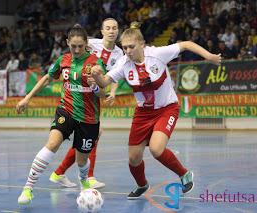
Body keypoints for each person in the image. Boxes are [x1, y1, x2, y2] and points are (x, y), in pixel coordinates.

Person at [91, 25, 221, 199]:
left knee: (156, 149)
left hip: (167, 109)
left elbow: (187, 44)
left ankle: (184, 174)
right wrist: (97, 75)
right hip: (143, 113)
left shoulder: (158, 54)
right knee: (134, 158)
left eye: (132, 46)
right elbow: (105, 82)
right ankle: (142, 185)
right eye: (125, 48)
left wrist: (209, 56)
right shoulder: (123, 63)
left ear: (142, 44)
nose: (128, 51)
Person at [16, 24, 107, 205]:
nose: (77, 50)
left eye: (80, 46)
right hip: (66, 110)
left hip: (89, 118)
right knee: (52, 143)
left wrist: (95, 83)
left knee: (82, 160)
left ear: (86, 44)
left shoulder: (96, 63)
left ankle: (83, 179)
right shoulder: (63, 60)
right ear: (67, 43)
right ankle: (28, 188)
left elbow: (102, 94)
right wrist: (27, 98)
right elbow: (47, 78)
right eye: (73, 46)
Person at [49, 18, 123, 189]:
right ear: (102, 31)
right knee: (94, 134)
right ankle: (85, 176)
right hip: (78, 96)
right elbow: (76, 46)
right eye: (108, 28)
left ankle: (61, 173)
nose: (111, 31)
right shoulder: (92, 44)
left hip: (95, 95)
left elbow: (115, 74)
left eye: (114, 28)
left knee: (93, 135)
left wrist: (112, 92)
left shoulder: (119, 54)